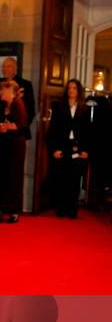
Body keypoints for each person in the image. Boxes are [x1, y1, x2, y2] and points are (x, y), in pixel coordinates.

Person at [47, 79, 90, 218]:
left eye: (74, 88)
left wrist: (86, 150)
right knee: (61, 179)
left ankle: (72, 210)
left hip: (78, 148)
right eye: (69, 88)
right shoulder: (59, 106)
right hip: (62, 147)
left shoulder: (85, 108)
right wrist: (54, 149)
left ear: (79, 91)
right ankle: (61, 209)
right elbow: (52, 130)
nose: (71, 90)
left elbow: (89, 132)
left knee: (75, 180)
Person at [0, 80, 28, 222]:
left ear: (10, 91)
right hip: (5, 146)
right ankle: (0, 209)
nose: (0, 93)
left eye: (2, 90)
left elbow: (22, 125)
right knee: (2, 178)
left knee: (14, 178)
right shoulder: (4, 105)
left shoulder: (18, 104)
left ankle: (14, 212)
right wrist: (0, 127)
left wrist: (7, 127)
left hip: (15, 147)